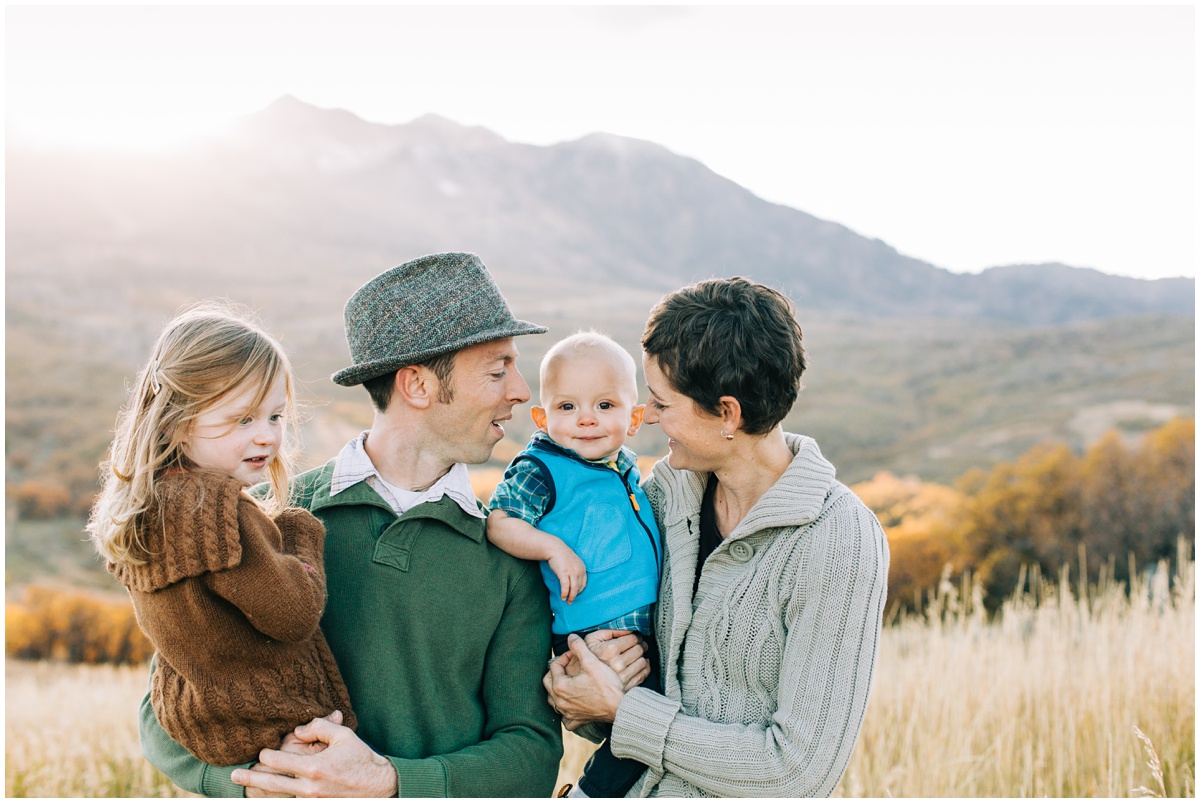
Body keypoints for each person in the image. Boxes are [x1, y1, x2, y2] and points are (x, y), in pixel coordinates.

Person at [138, 252, 625, 797]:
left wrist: (390, 782)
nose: (519, 390)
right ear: (416, 385)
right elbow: (165, 708)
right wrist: (254, 787)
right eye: (497, 369)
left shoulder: (511, 555)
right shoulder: (264, 518)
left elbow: (531, 754)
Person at [544, 276, 890, 797]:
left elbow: (794, 773)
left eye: (663, 404)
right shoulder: (661, 496)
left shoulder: (838, 539)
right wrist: (589, 684)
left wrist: (623, 709)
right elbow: (620, 707)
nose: (649, 420)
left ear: (727, 413)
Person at [89, 304, 356, 766]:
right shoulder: (223, 510)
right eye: (243, 420)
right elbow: (294, 613)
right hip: (279, 719)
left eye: (275, 417)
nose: (267, 437)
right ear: (177, 420)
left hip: (204, 724)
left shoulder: (143, 505)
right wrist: (298, 531)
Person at [487, 331, 662, 798]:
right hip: (594, 632)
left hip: (643, 628)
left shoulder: (624, 468)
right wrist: (552, 548)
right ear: (543, 418)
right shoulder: (540, 468)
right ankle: (589, 793)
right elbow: (500, 522)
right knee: (639, 730)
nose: (586, 419)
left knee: (653, 725)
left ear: (635, 417)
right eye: (567, 408)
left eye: (605, 406)